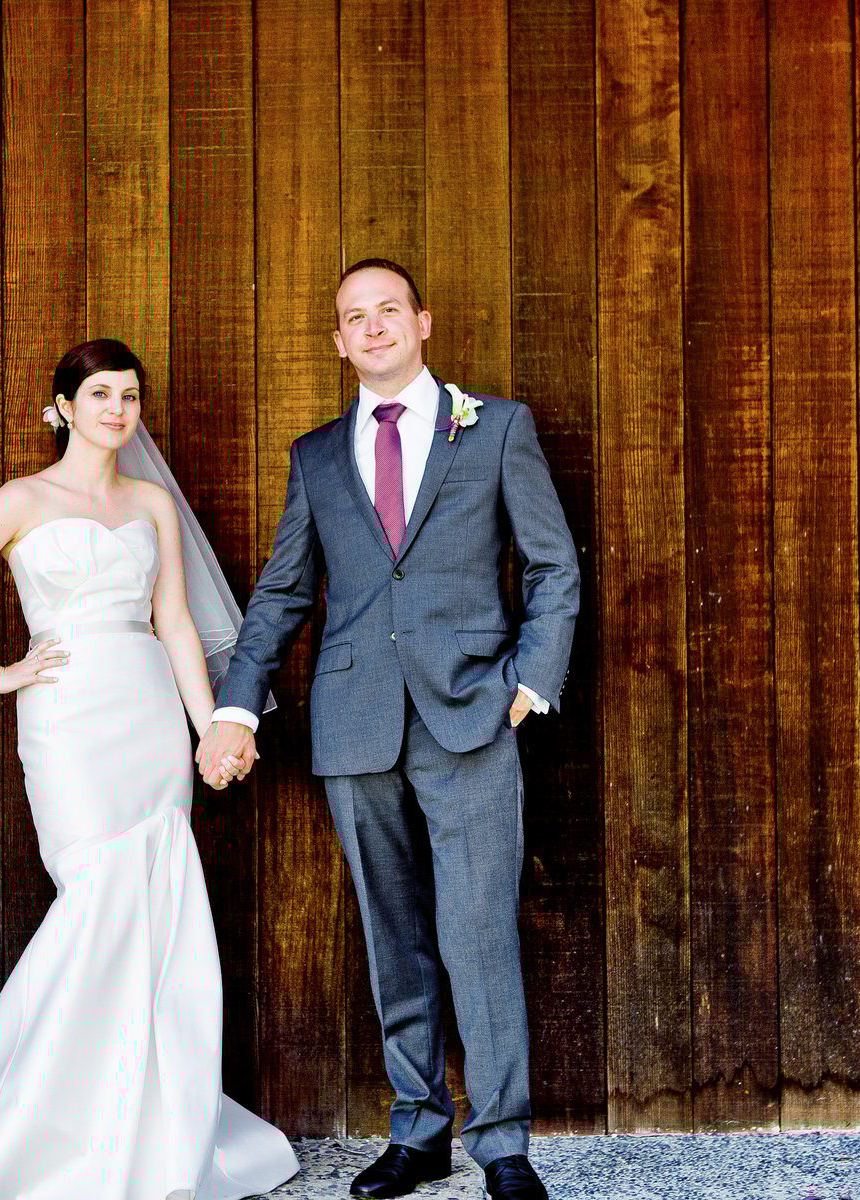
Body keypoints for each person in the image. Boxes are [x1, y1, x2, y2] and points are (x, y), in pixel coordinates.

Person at [0, 339, 296, 1200]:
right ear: (63, 407)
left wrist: (209, 727)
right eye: (100, 394)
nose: (117, 410)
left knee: (154, 909)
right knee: (96, 899)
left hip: (148, 711)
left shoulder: (151, 502)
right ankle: (40, 1134)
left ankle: (147, 1125)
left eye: (129, 396)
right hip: (68, 718)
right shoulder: (23, 498)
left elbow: (175, 621)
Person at [198, 260, 580, 1200]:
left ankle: (503, 1147)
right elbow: (284, 592)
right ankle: (419, 1132)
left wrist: (532, 680)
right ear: (339, 341)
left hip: (472, 715)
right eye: (354, 317)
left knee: (479, 934)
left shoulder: (497, 428)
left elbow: (552, 565)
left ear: (422, 321)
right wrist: (236, 706)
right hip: (356, 723)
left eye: (388, 311)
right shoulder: (317, 456)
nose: (373, 327)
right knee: (392, 933)